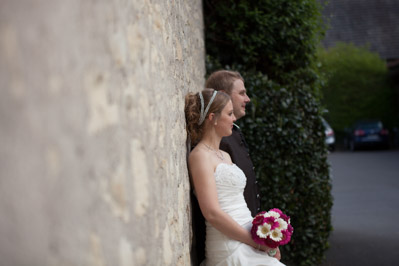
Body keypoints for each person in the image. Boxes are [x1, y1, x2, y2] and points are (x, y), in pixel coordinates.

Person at [185, 89, 283, 265]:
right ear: (212, 118)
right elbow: (212, 213)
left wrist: (266, 237)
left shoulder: (225, 155)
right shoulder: (200, 156)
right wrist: (256, 243)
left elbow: (238, 203)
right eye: (229, 114)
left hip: (246, 237)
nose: (234, 119)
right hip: (228, 245)